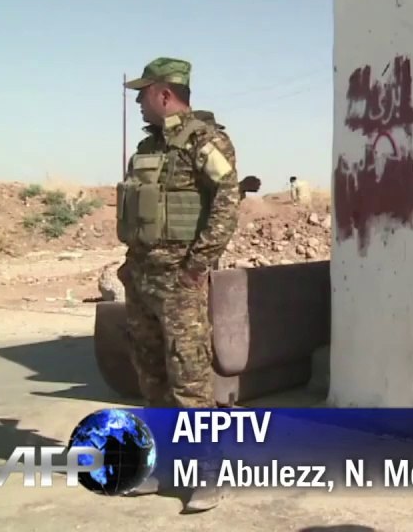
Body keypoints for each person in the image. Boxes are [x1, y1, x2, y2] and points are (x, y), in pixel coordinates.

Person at [115, 57, 241, 513]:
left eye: (143, 92)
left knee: (189, 375)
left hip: (180, 279)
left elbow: (228, 200)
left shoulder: (204, 140)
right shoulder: (147, 147)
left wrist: (197, 264)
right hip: (143, 275)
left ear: (165, 93)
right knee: (151, 374)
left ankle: (207, 471)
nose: (138, 101)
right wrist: (130, 265)